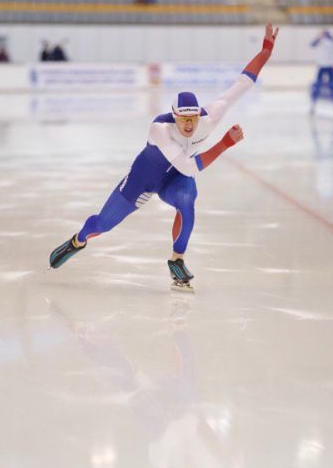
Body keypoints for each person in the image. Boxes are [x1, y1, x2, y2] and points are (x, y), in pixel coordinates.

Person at [48, 24, 279, 292]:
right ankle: (78, 240)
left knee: (187, 200)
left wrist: (265, 51)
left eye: (193, 118)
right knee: (103, 224)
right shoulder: (160, 130)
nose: (190, 125)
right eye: (184, 119)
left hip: (174, 179)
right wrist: (225, 143)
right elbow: (190, 166)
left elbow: (243, 82)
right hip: (142, 181)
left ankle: (177, 260)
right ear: (175, 116)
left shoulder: (211, 116)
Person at [310, 29, 333, 114]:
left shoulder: (331, 42)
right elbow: (312, 44)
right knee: (317, 87)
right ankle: (313, 106)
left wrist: (331, 37)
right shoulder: (320, 41)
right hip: (322, 66)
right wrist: (319, 37)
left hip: (329, 66)